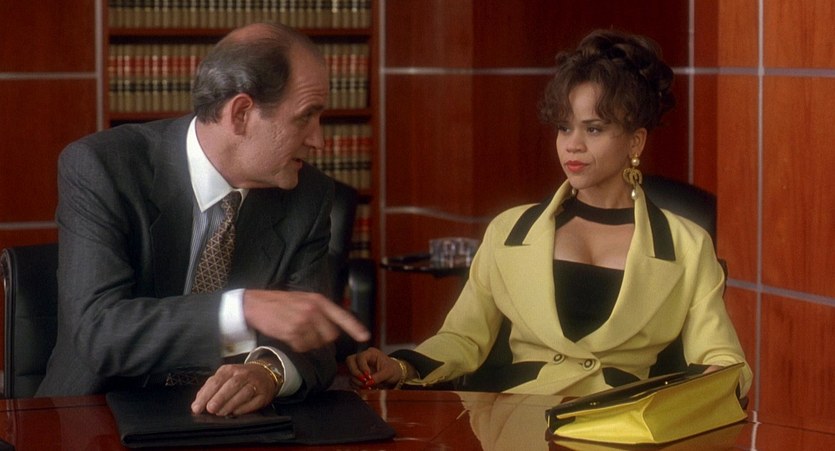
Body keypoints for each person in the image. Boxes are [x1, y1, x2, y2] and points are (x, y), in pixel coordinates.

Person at [347, 29, 752, 397]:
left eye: (593, 129)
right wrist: (401, 366)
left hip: (620, 422)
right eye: (564, 127)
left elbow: (721, 357)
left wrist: (715, 381)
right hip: (516, 417)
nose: (572, 144)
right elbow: (463, 338)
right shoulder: (508, 231)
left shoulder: (687, 245)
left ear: (635, 141)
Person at [37, 22, 369, 416]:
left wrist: (267, 372)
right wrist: (240, 310)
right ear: (241, 114)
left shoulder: (309, 196)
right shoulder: (104, 167)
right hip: (94, 413)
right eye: (305, 117)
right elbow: (99, 332)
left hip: (226, 421)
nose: (319, 140)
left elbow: (315, 340)